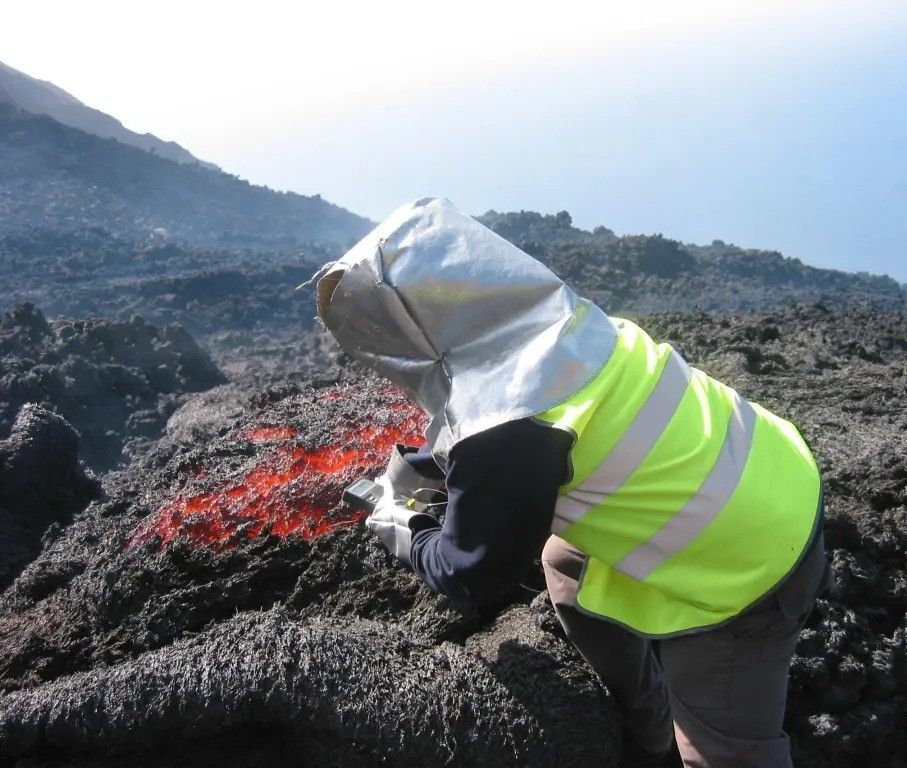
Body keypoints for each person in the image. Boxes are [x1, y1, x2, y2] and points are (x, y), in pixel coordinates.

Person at [314, 197, 831, 768]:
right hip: (767, 463)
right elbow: (550, 430)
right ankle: (646, 728)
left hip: (753, 560)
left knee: (723, 752)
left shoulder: (511, 428)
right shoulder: (562, 327)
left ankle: (678, 737)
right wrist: (436, 462)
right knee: (566, 565)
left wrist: (403, 524)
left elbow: (472, 571)